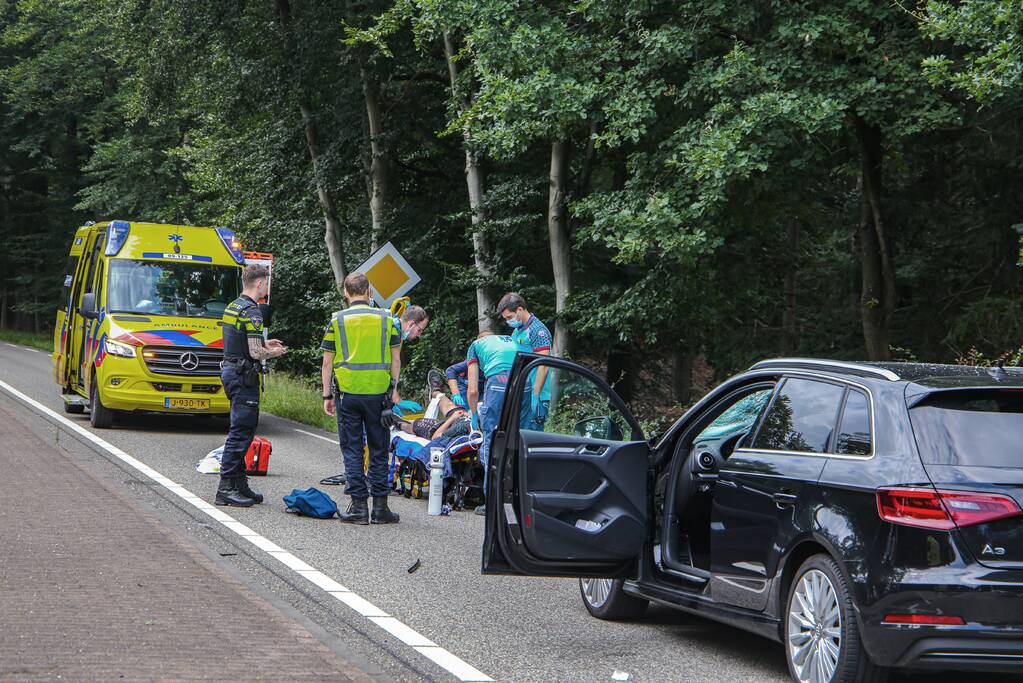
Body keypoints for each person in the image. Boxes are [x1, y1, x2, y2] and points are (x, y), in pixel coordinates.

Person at [321, 272, 402, 525]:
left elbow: (327, 362)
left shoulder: (337, 320)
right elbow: (396, 359)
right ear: (369, 292)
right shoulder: (388, 319)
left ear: (346, 293)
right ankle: (380, 508)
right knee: (379, 450)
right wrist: (393, 388)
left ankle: (358, 508)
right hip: (379, 395)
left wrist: (326, 395)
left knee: (353, 450)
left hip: (348, 395)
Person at [215, 264, 286, 507]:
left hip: (230, 370)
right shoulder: (252, 311)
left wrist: (267, 341)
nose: (267, 286)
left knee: (243, 429)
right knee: (241, 431)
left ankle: (239, 483)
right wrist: (275, 352)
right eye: (266, 282)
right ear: (258, 284)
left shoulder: (233, 306)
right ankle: (226, 487)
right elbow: (255, 352)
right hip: (244, 375)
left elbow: (241, 339)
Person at [465, 329, 520, 517]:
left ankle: (491, 503)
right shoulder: (509, 339)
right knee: (514, 442)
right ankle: (515, 500)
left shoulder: (475, 346)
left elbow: (472, 390)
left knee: (491, 445)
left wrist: (474, 414)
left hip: (497, 383)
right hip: (521, 384)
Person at [497, 292, 553, 431]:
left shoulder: (538, 330)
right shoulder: (517, 331)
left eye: (509, 317)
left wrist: (535, 396)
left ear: (520, 310)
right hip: (521, 392)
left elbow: (543, 365)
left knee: (530, 441)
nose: (508, 321)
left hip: (536, 395)